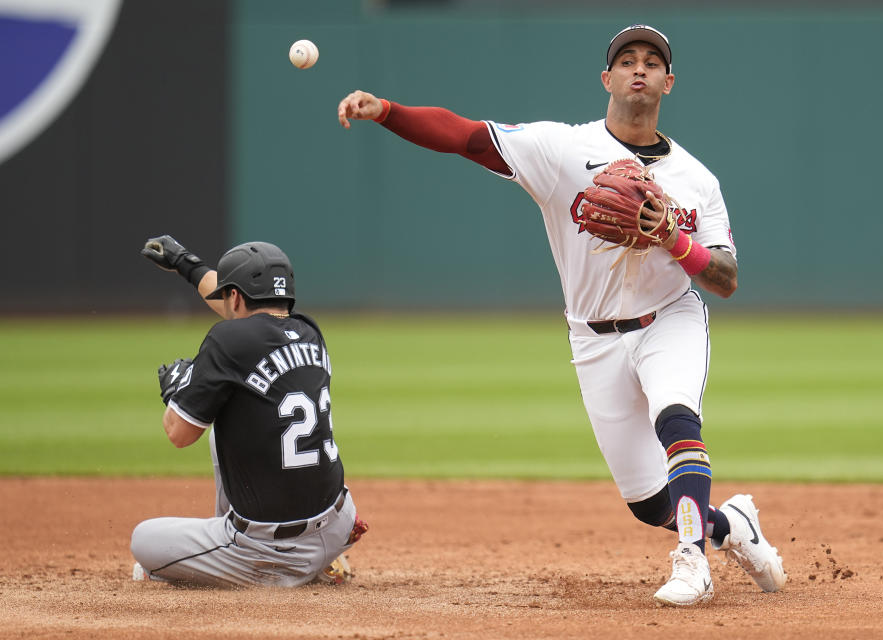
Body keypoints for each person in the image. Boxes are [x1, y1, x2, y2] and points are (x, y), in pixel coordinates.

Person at [336, 24, 784, 605]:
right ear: (607, 78)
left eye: (652, 61)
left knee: (678, 421)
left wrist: (676, 240)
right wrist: (388, 111)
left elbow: (725, 278)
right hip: (594, 338)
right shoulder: (563, 149)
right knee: (650, 502)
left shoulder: (697, 181)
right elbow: (466, 137)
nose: (639, 68)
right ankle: (733, 529)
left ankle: (693, 561)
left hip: (670, 317)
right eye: (627, 60)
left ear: (669, 83)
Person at [130, 235, 367, 587]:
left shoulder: (226, 340)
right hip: (337, 524)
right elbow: (245, 317)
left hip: (272, 548)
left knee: (144, 543)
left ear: (236, 297)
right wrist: (187, 264)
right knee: (237, 412)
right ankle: (323, 558)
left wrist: (177, 391)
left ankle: (256, 563)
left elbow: (179, 433)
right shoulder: (310, 332)